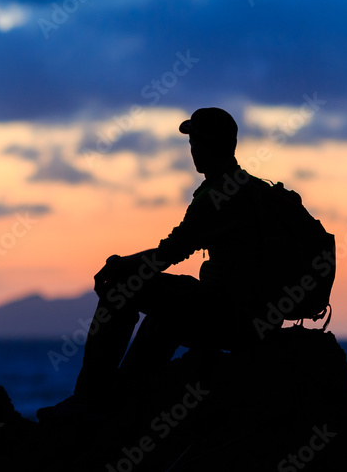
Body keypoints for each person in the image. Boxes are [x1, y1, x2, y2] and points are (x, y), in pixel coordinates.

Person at [39, 107, 288, 419]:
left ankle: (89, 398)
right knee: (164, 318)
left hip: (232, 318)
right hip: (253, 319)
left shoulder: (220, 195)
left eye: (194, 142)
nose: (191, 149)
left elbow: (167, 254)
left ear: (204, 145)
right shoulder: (253, 189)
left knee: (122, 286)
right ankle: (119, 399)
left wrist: (118, 266)